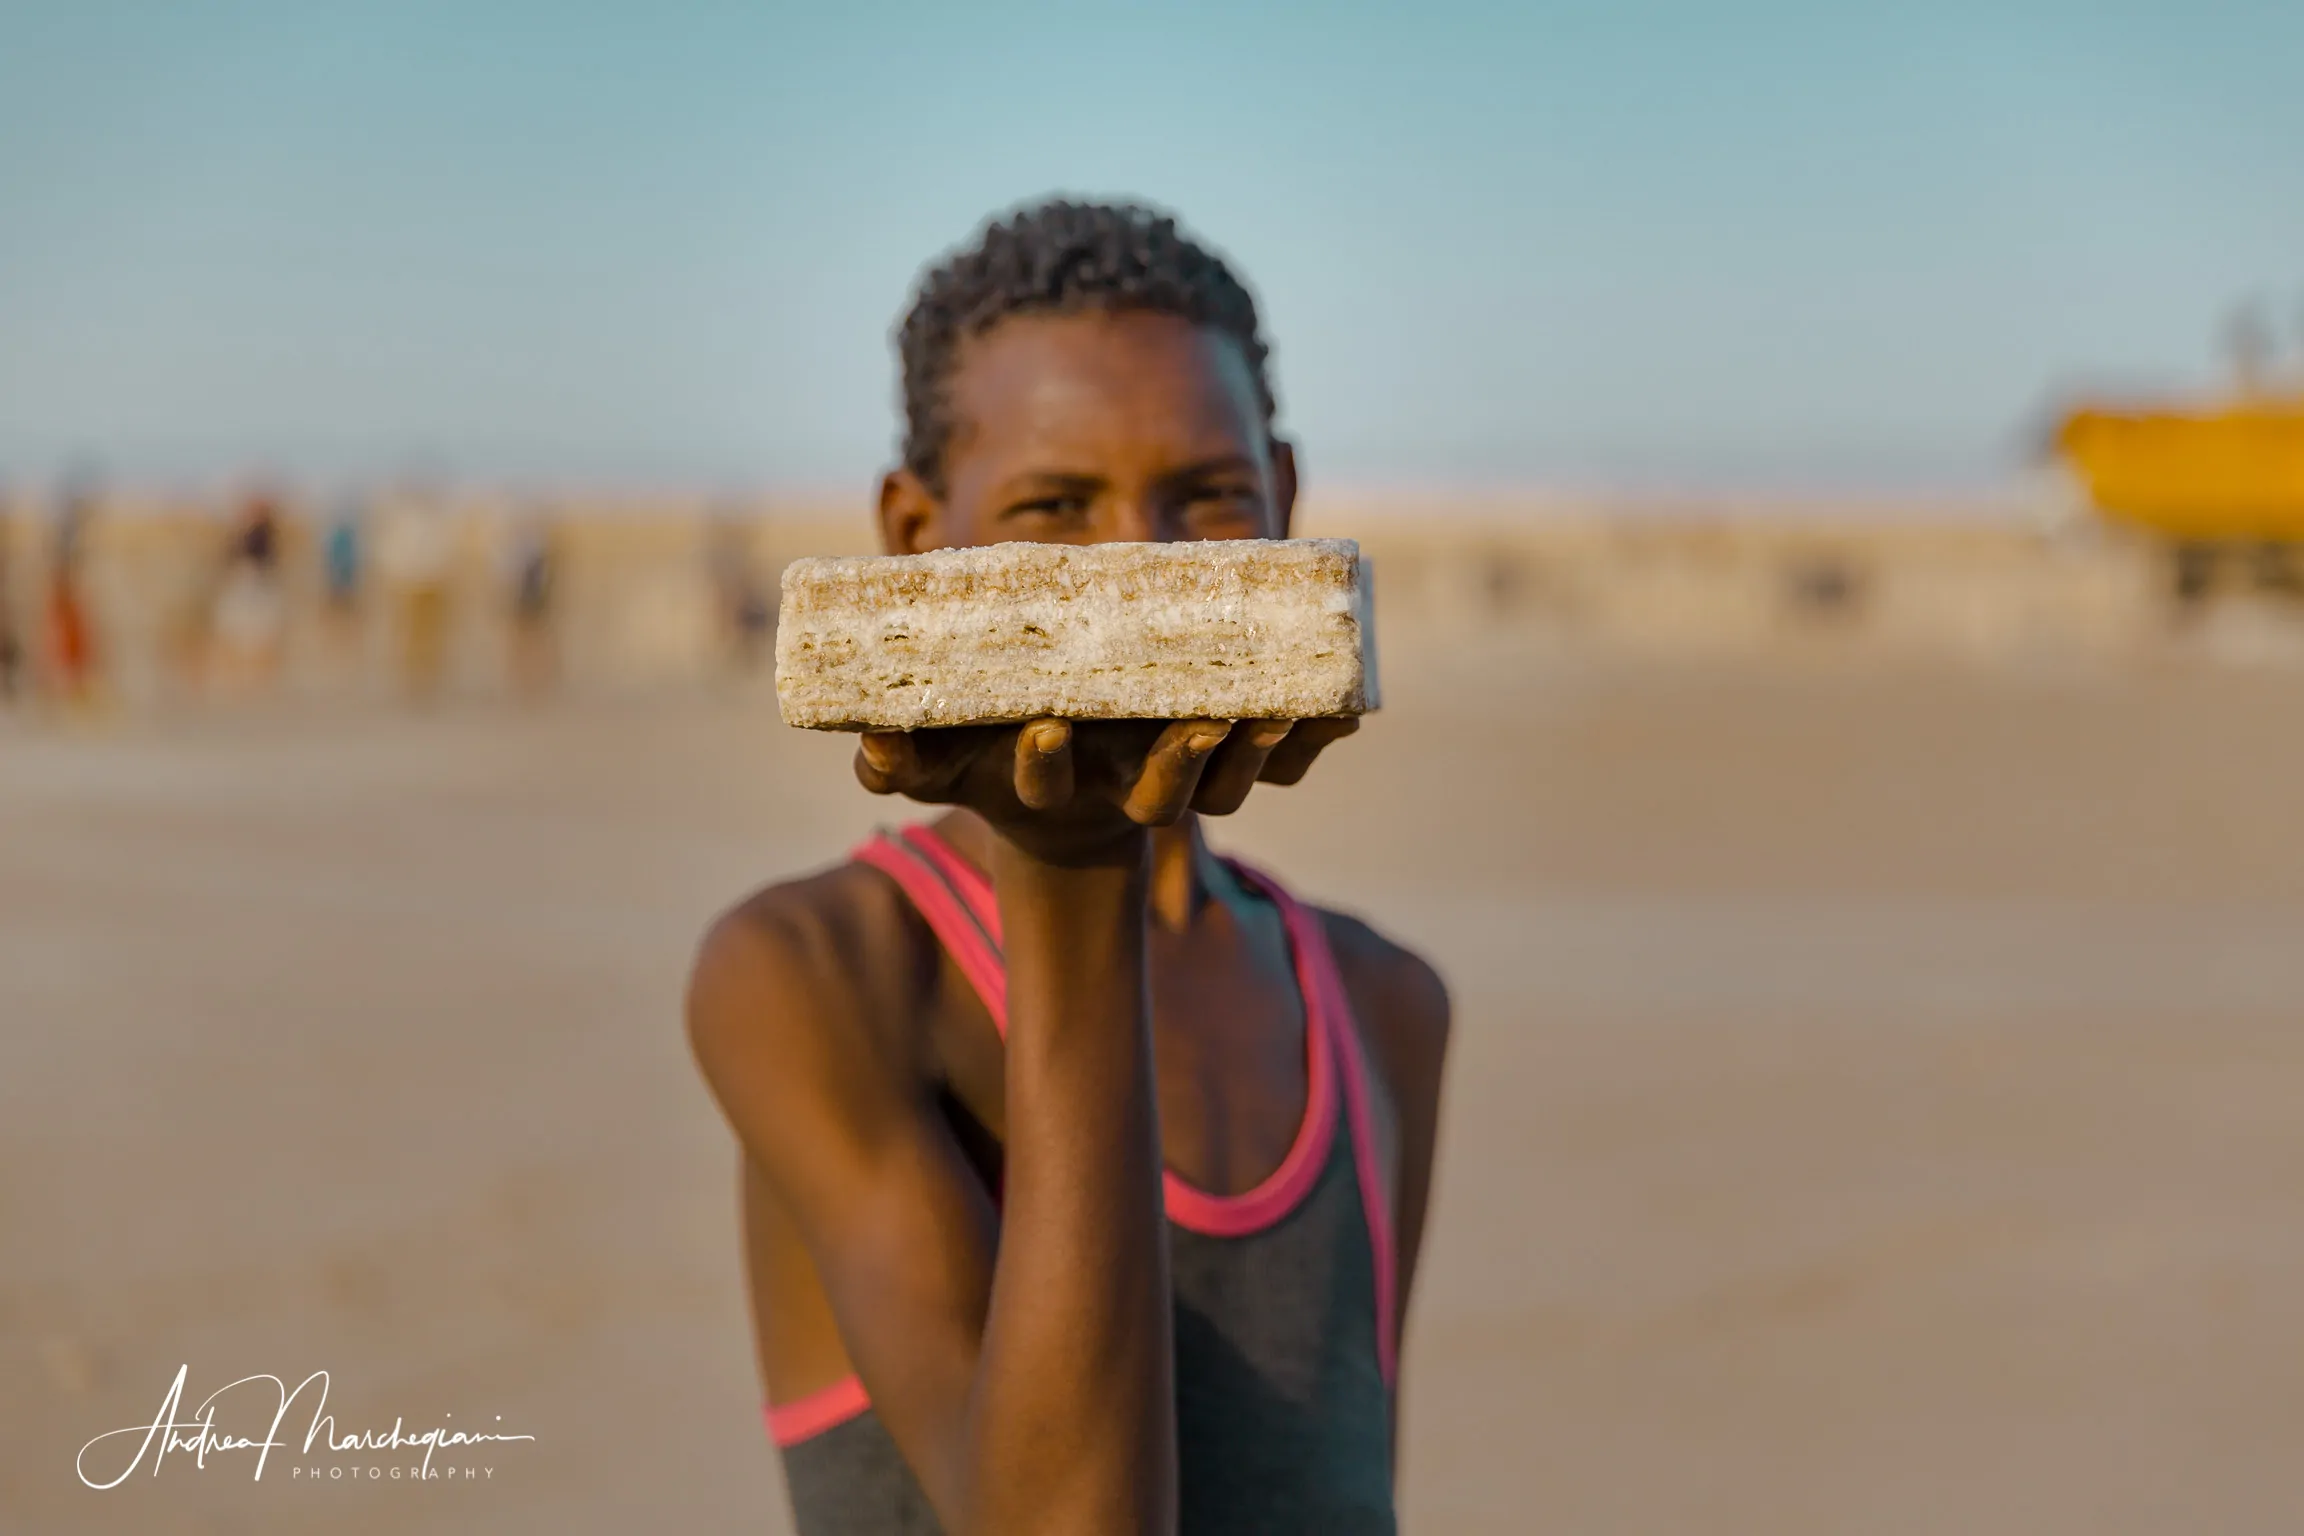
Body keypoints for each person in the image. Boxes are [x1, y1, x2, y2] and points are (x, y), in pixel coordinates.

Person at [687, 200, 1452, 1536]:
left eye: (1207, 498)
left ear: (1287, 504)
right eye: (1055, 507)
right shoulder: (818, 977)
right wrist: (1071, 876)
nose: (1138, 566)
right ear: (918, 539)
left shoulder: (1381, 1006)